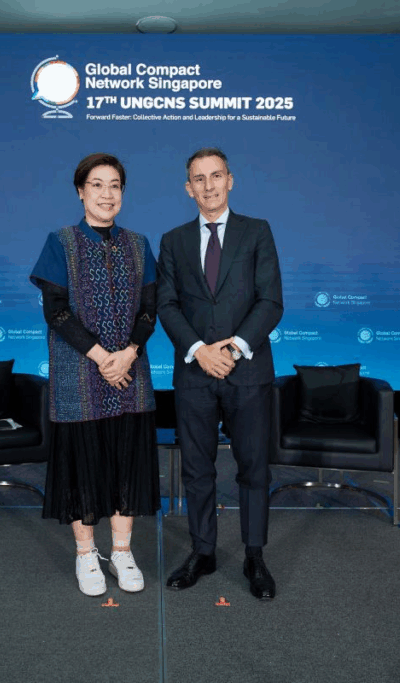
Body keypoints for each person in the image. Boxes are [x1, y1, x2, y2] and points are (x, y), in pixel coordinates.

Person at [30, 153, 160, 597]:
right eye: (98, 185)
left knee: (126, 462)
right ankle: (86, 554)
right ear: (80, 192)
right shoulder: (60, 242)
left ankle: (122, 551)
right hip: (79, 376)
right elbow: (56, 312)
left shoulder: (139, 244)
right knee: (82, 466)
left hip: (130, 374)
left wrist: (129, 353)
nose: (107, 194)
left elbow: (150, 310)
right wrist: (104, 357)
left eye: (115, 185)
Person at [156, 147, 284, 600]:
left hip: (247, 372)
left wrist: (230, 349)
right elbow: (166, 304)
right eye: (199, 178)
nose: (208, 185)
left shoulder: (257, 231)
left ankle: (255, 556)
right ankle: (203, 552)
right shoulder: (173, 241)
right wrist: (198, 351)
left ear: (231, 180)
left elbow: (271, 301)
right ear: (188, 188)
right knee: (197, 470)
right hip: (194, 375)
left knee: (253, 469)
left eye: (216, 176)